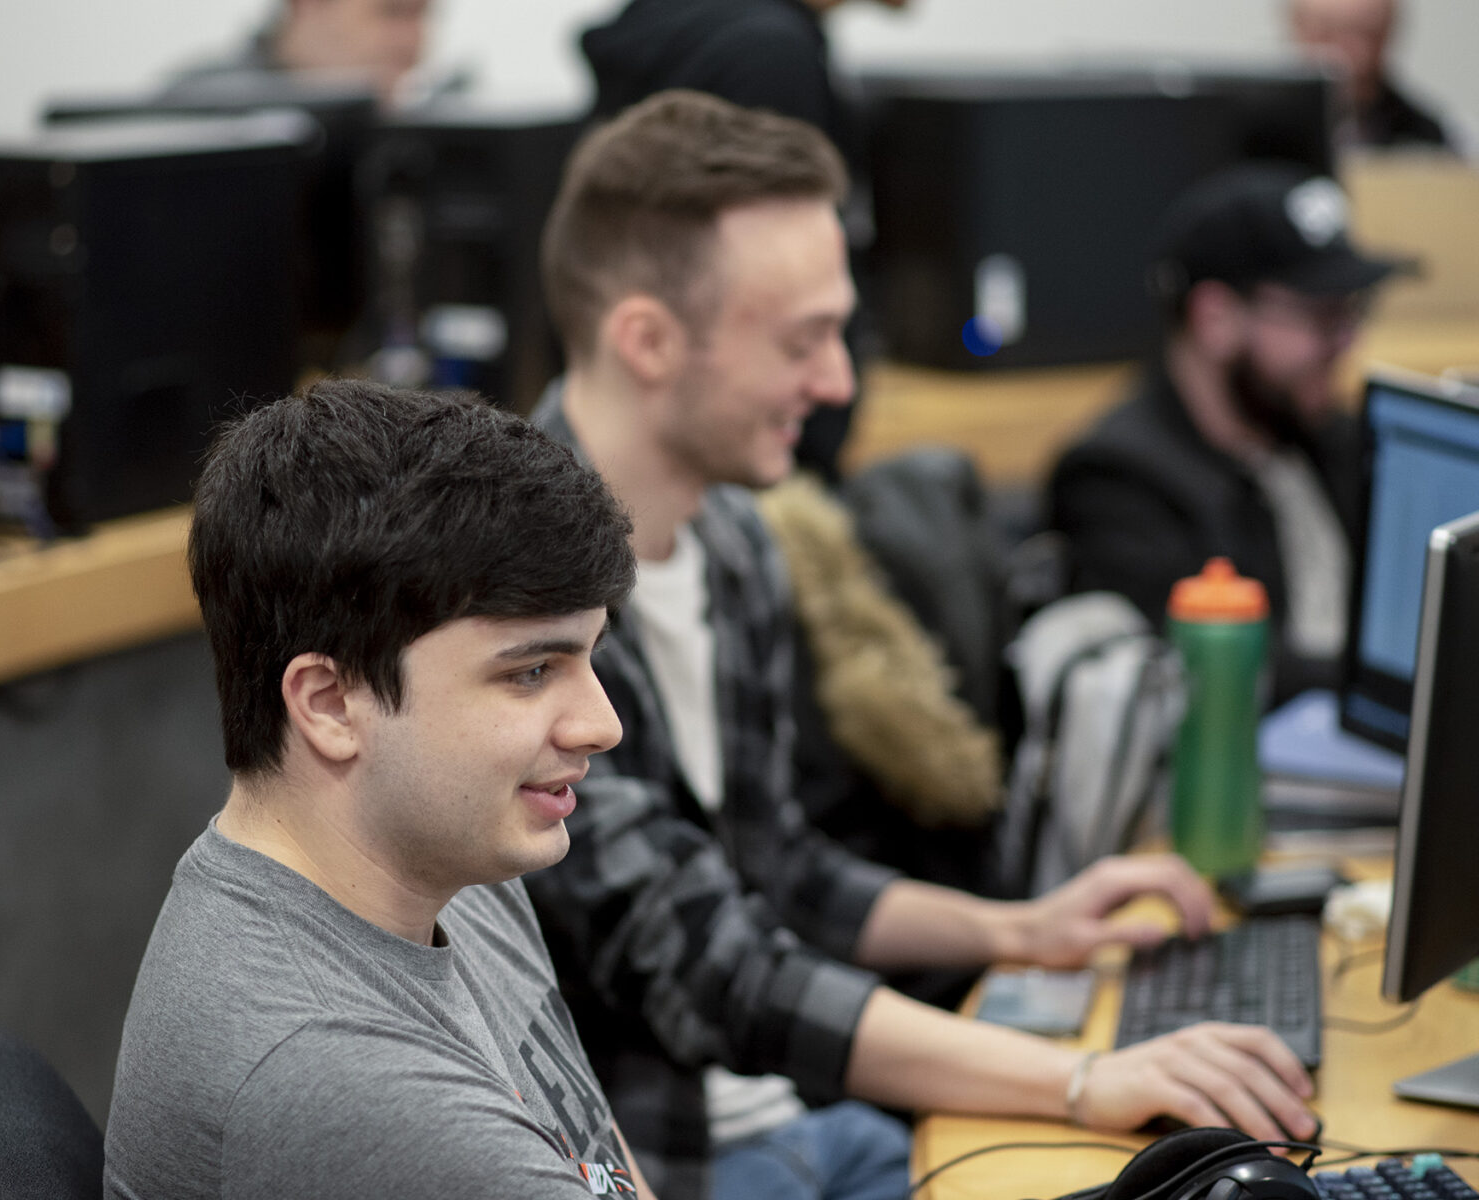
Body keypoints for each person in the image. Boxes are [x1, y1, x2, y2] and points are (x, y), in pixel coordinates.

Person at [529, 90, 1319, 1200]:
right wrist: (1082, 1077)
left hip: (805, 1118)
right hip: (671, 1162)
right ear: (649, 341)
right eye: (802, 341)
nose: (840, 384)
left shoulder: (737, 540)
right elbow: (718, 970)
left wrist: (1024, 927)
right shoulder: (516, 604)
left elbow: (779, 872)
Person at [103, 379, 654, 1200]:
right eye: (532, 672)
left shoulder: (447, 870)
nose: (601, 725)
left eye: (590, 657)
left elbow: (604, 1170)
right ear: (330, 704)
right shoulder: (345, 1082)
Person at [1049, 162, 1406, 705]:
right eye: (1319, 317)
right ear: (1215, 319)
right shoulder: (1117, 483)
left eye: (1351, 314)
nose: (1345, 344)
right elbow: (1209, 677)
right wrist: (1394, 683)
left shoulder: (1324, 435)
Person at [579, 0, 911, 482]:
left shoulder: (690, 32)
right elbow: (779, 281)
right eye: (806, 342)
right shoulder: (767, 58)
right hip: (752, 463)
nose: (834, 384)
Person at [171, 0, 434, 107]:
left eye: (422, 15)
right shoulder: (191, 112)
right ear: (307, 6)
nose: (413, 39)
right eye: (393, 13)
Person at [1287, 0, 1456, 151]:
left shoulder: (1426, 136)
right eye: (1329, 33)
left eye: (1366, 34)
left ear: (1388, 32)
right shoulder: (1267, 129)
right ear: (1298, 27)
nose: (1353, 52)